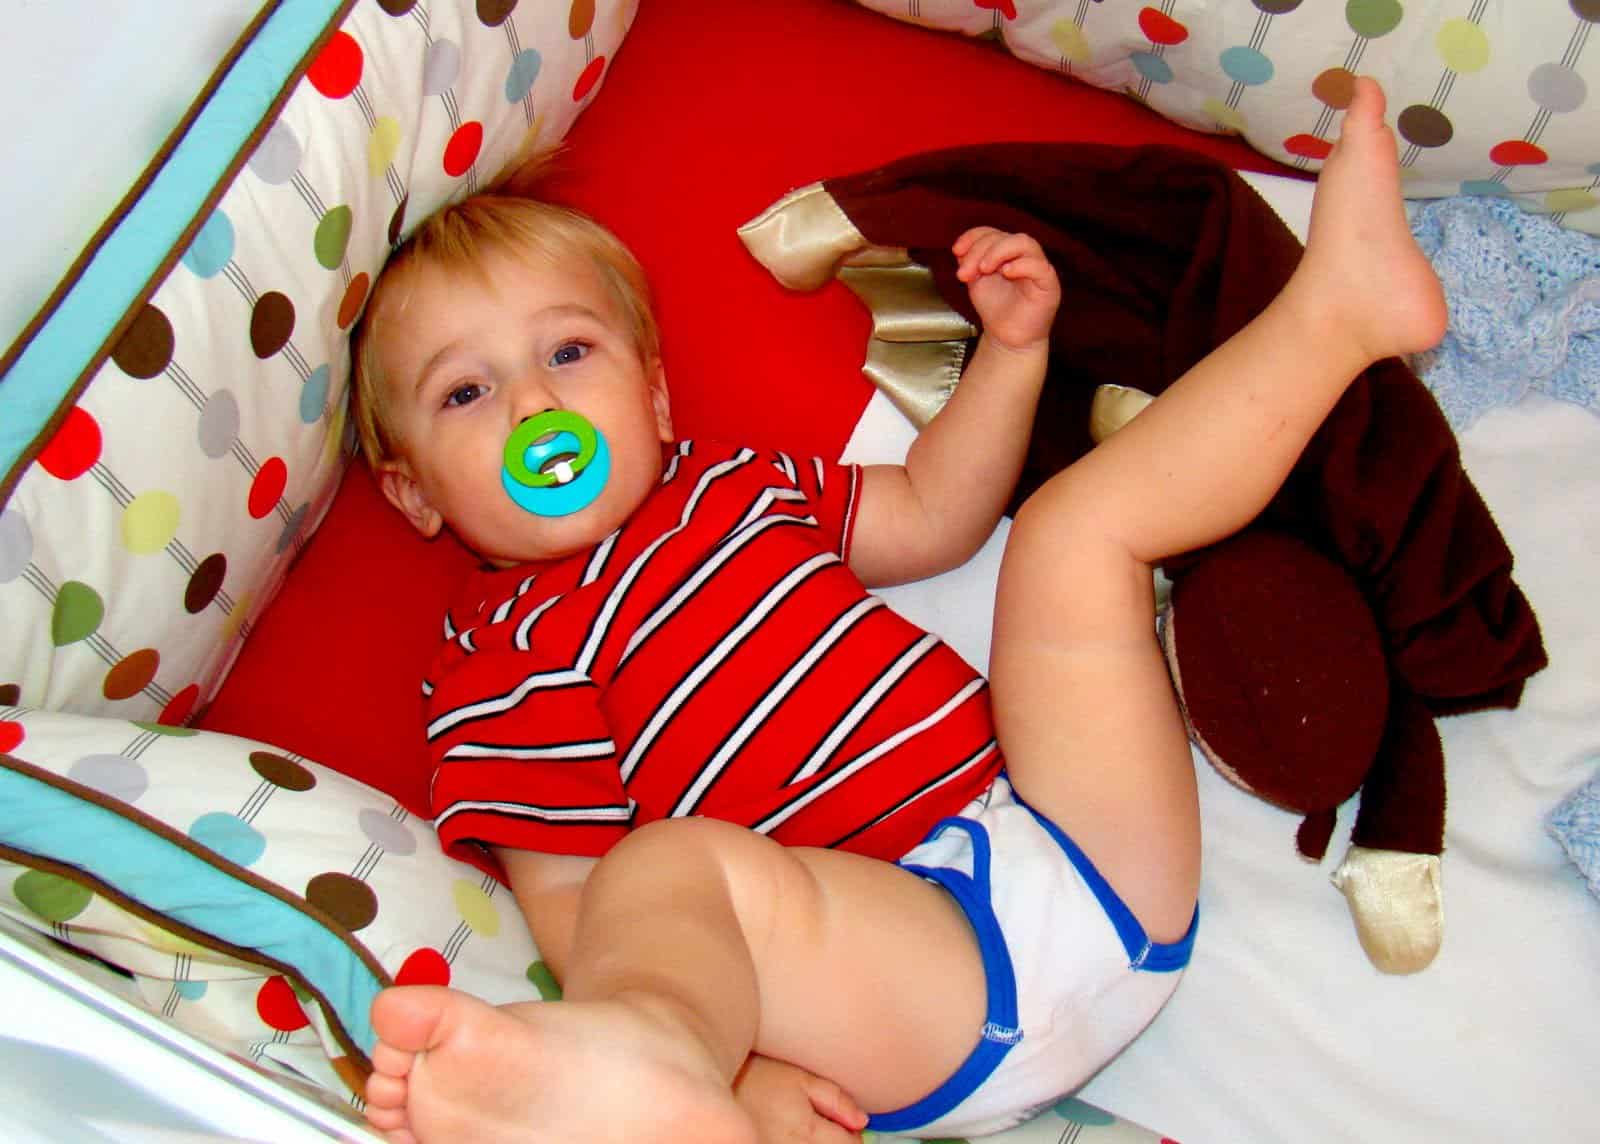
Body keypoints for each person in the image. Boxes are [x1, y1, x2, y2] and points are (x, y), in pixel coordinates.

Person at [351, 77, 1444, 1144]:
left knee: (1069, 534)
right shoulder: (497, 661)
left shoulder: (738, 486)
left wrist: (1011, 359)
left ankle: (1335, 317)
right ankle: (664, 1061)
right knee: (662, 872)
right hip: (913, 976)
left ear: (652, 393)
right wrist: (744, 1066)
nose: (534, 404)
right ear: (412, 491)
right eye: (466, 391)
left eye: (566, 352)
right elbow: (576, 905)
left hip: (1081, 854)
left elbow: (933, 515)